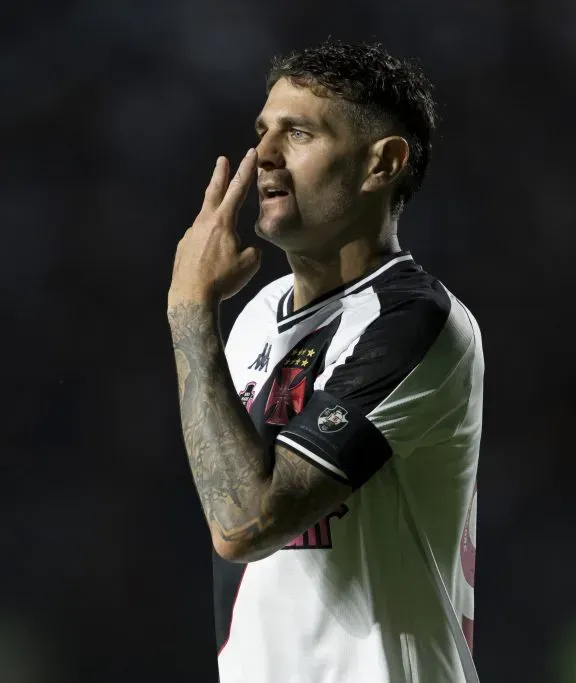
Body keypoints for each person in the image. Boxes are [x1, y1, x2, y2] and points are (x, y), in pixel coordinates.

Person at [166, 40, 482, 683]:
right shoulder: (257, 314)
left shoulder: (412, 320)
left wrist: (190, 311)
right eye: (262, 132)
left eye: (299, 132)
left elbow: (244, 524)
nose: (265, 157)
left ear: (381, 164)